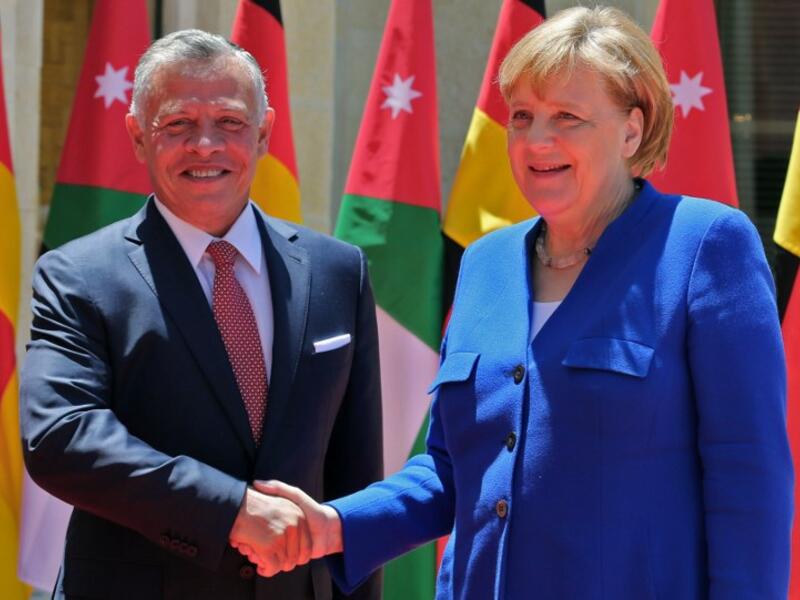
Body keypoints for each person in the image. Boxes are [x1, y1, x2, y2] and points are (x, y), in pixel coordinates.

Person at [249, 6, 794, 599]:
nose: (537, 141)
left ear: (632, 130)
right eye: (522, 116)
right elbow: (454, 469)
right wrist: (335, 524)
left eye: (567, 117)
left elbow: (748, 475)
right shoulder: (486, 262)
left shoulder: (706, 245)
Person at [20, 29, 382, 600]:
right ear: (138, 137)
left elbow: (354, 476)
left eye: (230, 121)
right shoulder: (78, 276)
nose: (205, 144)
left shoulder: (338, 271)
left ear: (263, 133)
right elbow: (61, 436)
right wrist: (230, 511)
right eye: (178, 124)